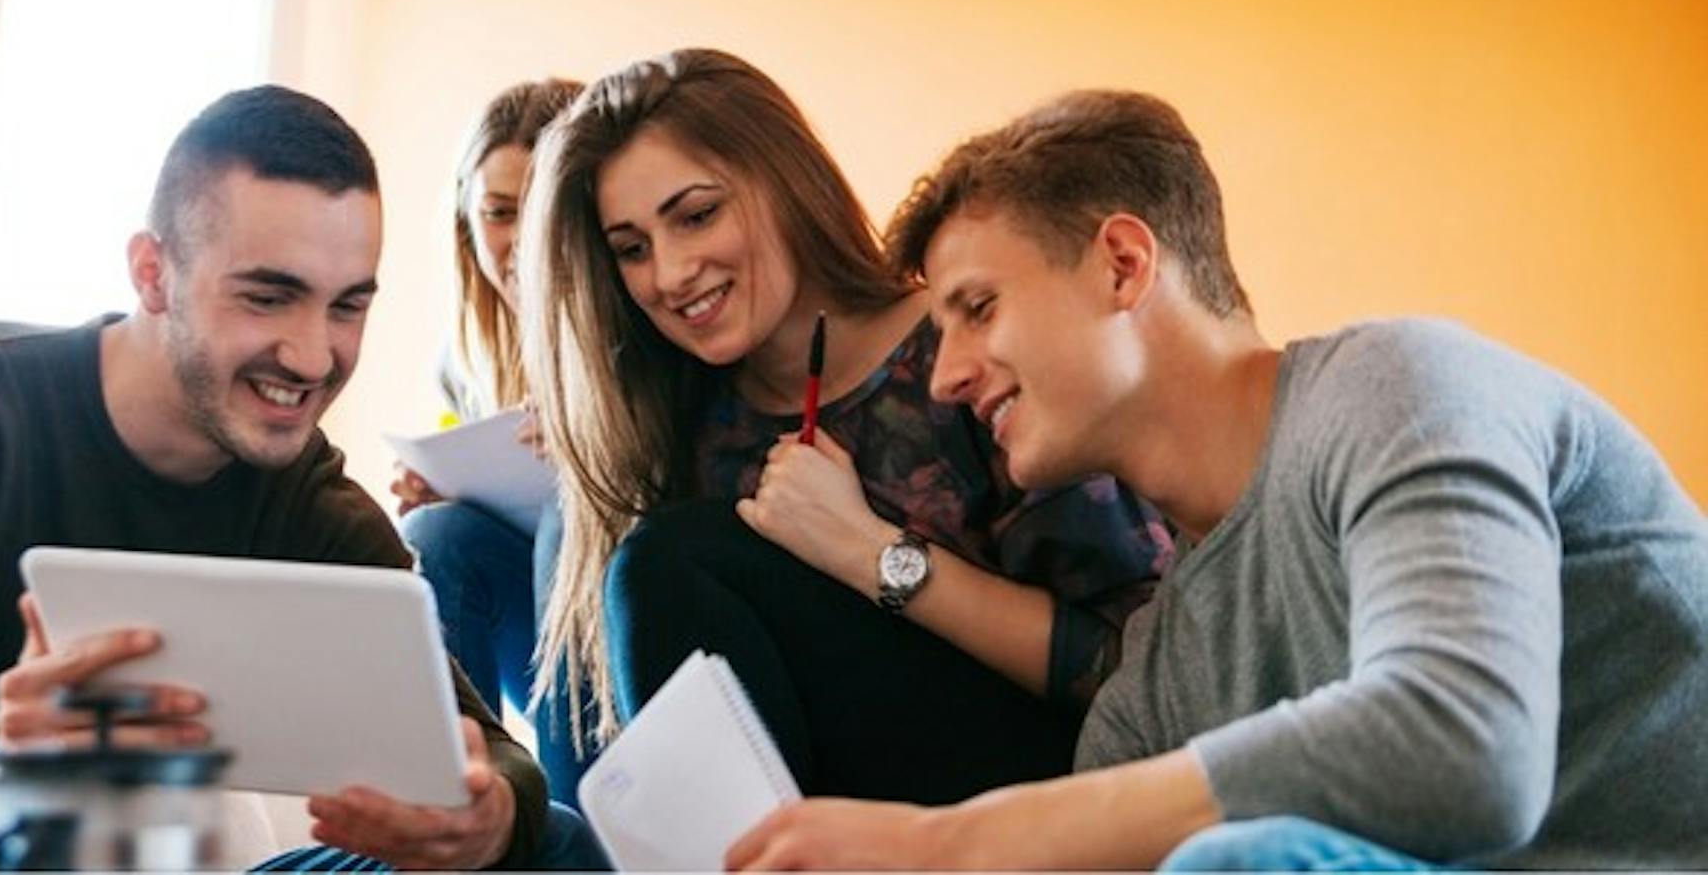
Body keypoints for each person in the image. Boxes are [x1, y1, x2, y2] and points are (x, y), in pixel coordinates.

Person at [723, 89, 1708, 870]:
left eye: (977, 308)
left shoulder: (1398, 388)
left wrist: (952, 844)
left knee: (1241, 861)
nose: (944, 376)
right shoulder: (1157, 682)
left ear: (1120, 263)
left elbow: (1468, 749)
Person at [0, 86, 603, 870]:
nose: (314, 356)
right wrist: (1, 763)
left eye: (346, 306)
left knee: (554, 839)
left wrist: (486, 813)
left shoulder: (307, 496)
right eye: (268, 297)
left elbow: (491, 753)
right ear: (152, 272)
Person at [517, 48, 1170, 805]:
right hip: (826, 817)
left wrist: (874, 555)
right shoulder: (681, 422)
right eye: (631, 249)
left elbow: (1136, 667)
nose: (669, 273)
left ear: (786, 183)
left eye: (697, 216)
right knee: (591, 540)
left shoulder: (965, 350)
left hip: (1048, 795)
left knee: (665, 557)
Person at [387, 77, 598, 806]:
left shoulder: (649, 325)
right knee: (433, 532)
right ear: (467, 224)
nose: (523, 239)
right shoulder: (467, 358)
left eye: (545, 210)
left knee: (573, 516)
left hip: (633, 641)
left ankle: (577, 833)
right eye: (501, 213)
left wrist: (594, 448)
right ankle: (462, 802)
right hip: (535, 631)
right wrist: (442, 486)